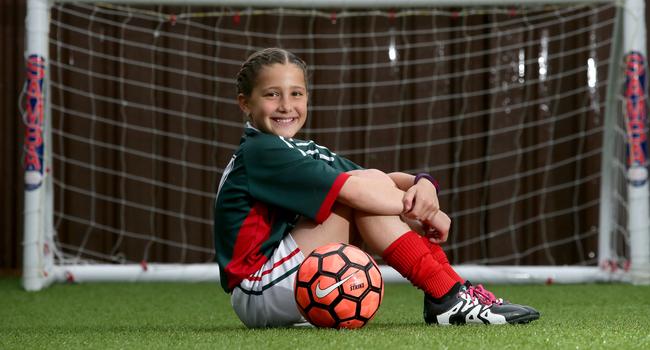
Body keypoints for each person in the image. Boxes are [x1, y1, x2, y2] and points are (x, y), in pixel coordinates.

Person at [213, 48, 540, 328]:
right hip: (257, 290)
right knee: (360, 199)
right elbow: (358, 193)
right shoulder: (260, 151)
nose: (286, 105)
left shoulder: (295, 149)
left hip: (283, 279)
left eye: (296, 93)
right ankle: (447, 295)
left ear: (307, 97)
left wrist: (424, 185)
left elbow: (376, 177)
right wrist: (422, 209)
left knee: (368, 186)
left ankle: (451, 293)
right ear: (245, 103)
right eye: (272, 94)